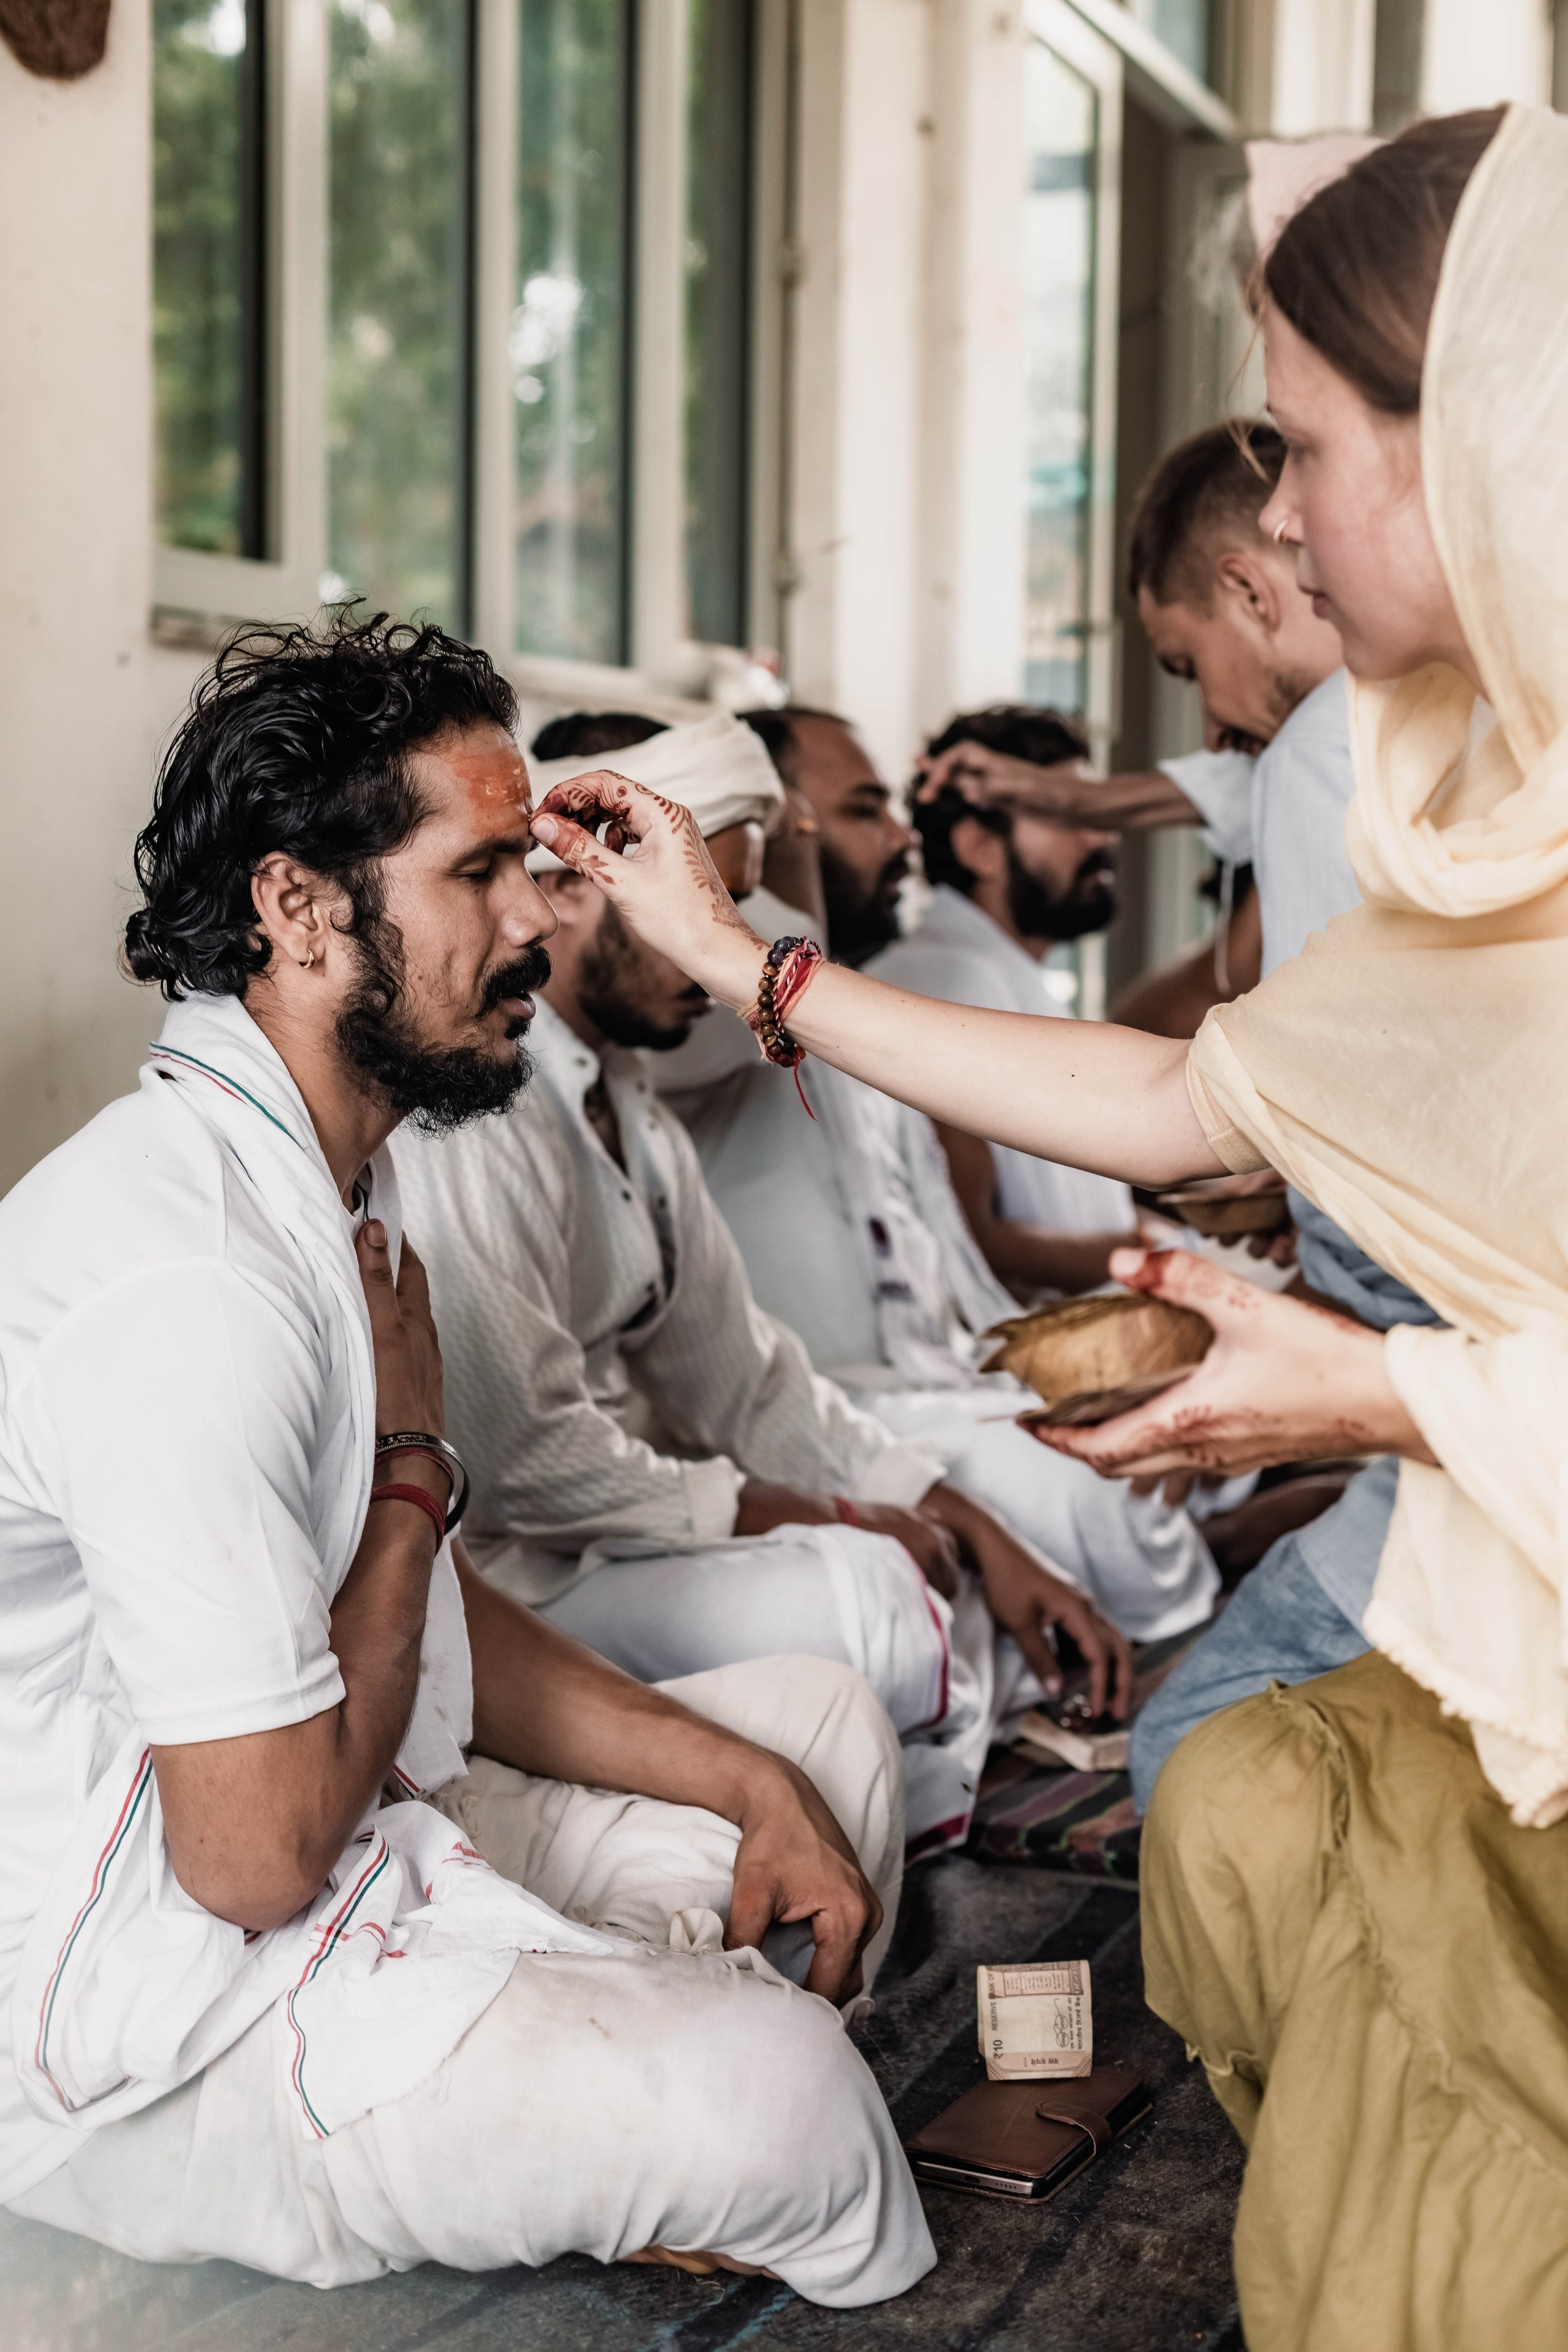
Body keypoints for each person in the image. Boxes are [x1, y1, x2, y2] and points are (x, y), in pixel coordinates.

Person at [529, 102, 1568, 2348]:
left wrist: (1387, 1392)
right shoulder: (1470, 793)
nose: (1272, 520)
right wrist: (755, 976)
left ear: (1480, 443)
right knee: (1249, 1797)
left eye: (1301, 446)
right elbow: (1190, 1092)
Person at [0, 616, 938, 2306]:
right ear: (297, 908)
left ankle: (600, 2070)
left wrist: (741, 1784)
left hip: (356, 1823)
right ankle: (628, 2078)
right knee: (797, 2109)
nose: (535, 919)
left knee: (817, 1750)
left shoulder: (325, 1186)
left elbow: (408, 1621)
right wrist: (419, 1472)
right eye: (483, 870)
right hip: (151, 2010)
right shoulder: (182, 1270)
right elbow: (254, 1858)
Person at [394, 709, 1131, 1862]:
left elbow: (750, 1383)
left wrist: (973, 1527)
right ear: (574, 887)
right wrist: (826, 1514)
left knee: (917, 1568)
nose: (720, 949)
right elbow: (524, 1460)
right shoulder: (491, 1111)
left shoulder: (630, 1109)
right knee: (871, 1595)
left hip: (611, 1548)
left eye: (730, 907)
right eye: (702, 910)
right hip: (508, 1589)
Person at [641, 714, 1223, 1642]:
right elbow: (771, 969)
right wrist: (782, 846)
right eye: (859, 812)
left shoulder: (869, 1003)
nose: (902, 836)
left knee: (1142, 1433)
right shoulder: (695, 1007)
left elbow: (958, 1265)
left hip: (931, 1377)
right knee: (1086, 1489)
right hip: (835, 1396)